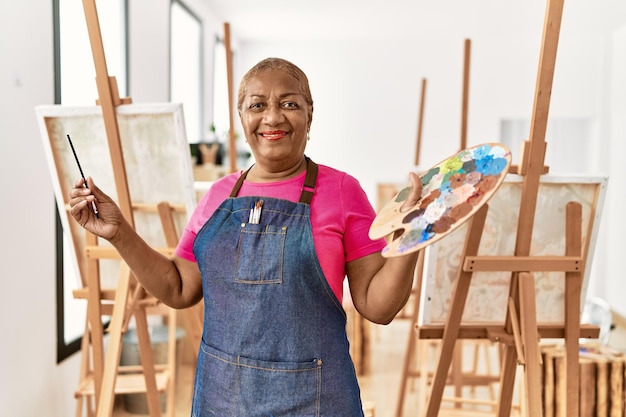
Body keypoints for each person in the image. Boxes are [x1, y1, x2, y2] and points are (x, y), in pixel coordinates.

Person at [70, 57, 421, 416]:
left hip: (317, 401)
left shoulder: (343, 192)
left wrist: (413, 238)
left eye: (289, 103)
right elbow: (178, 287)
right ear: (242, 118)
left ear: (309, 115)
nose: (272, 117)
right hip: (223, 399)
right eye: (258, 105)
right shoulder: (217, 196)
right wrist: (118, 233)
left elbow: (378, 308)